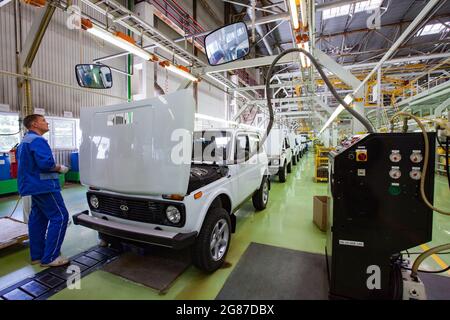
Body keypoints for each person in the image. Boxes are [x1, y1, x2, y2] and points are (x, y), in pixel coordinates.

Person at [17, 114, 70, 267]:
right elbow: (46, 164)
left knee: (38, 219)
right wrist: (60, 168)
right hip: (44, 186)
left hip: (33, 185)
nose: (47, 123)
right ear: (34, 124)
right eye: (44, 121)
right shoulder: (38, 140)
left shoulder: (25, 141)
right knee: (60, 217)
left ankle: (38, 255)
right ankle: (51, 257)